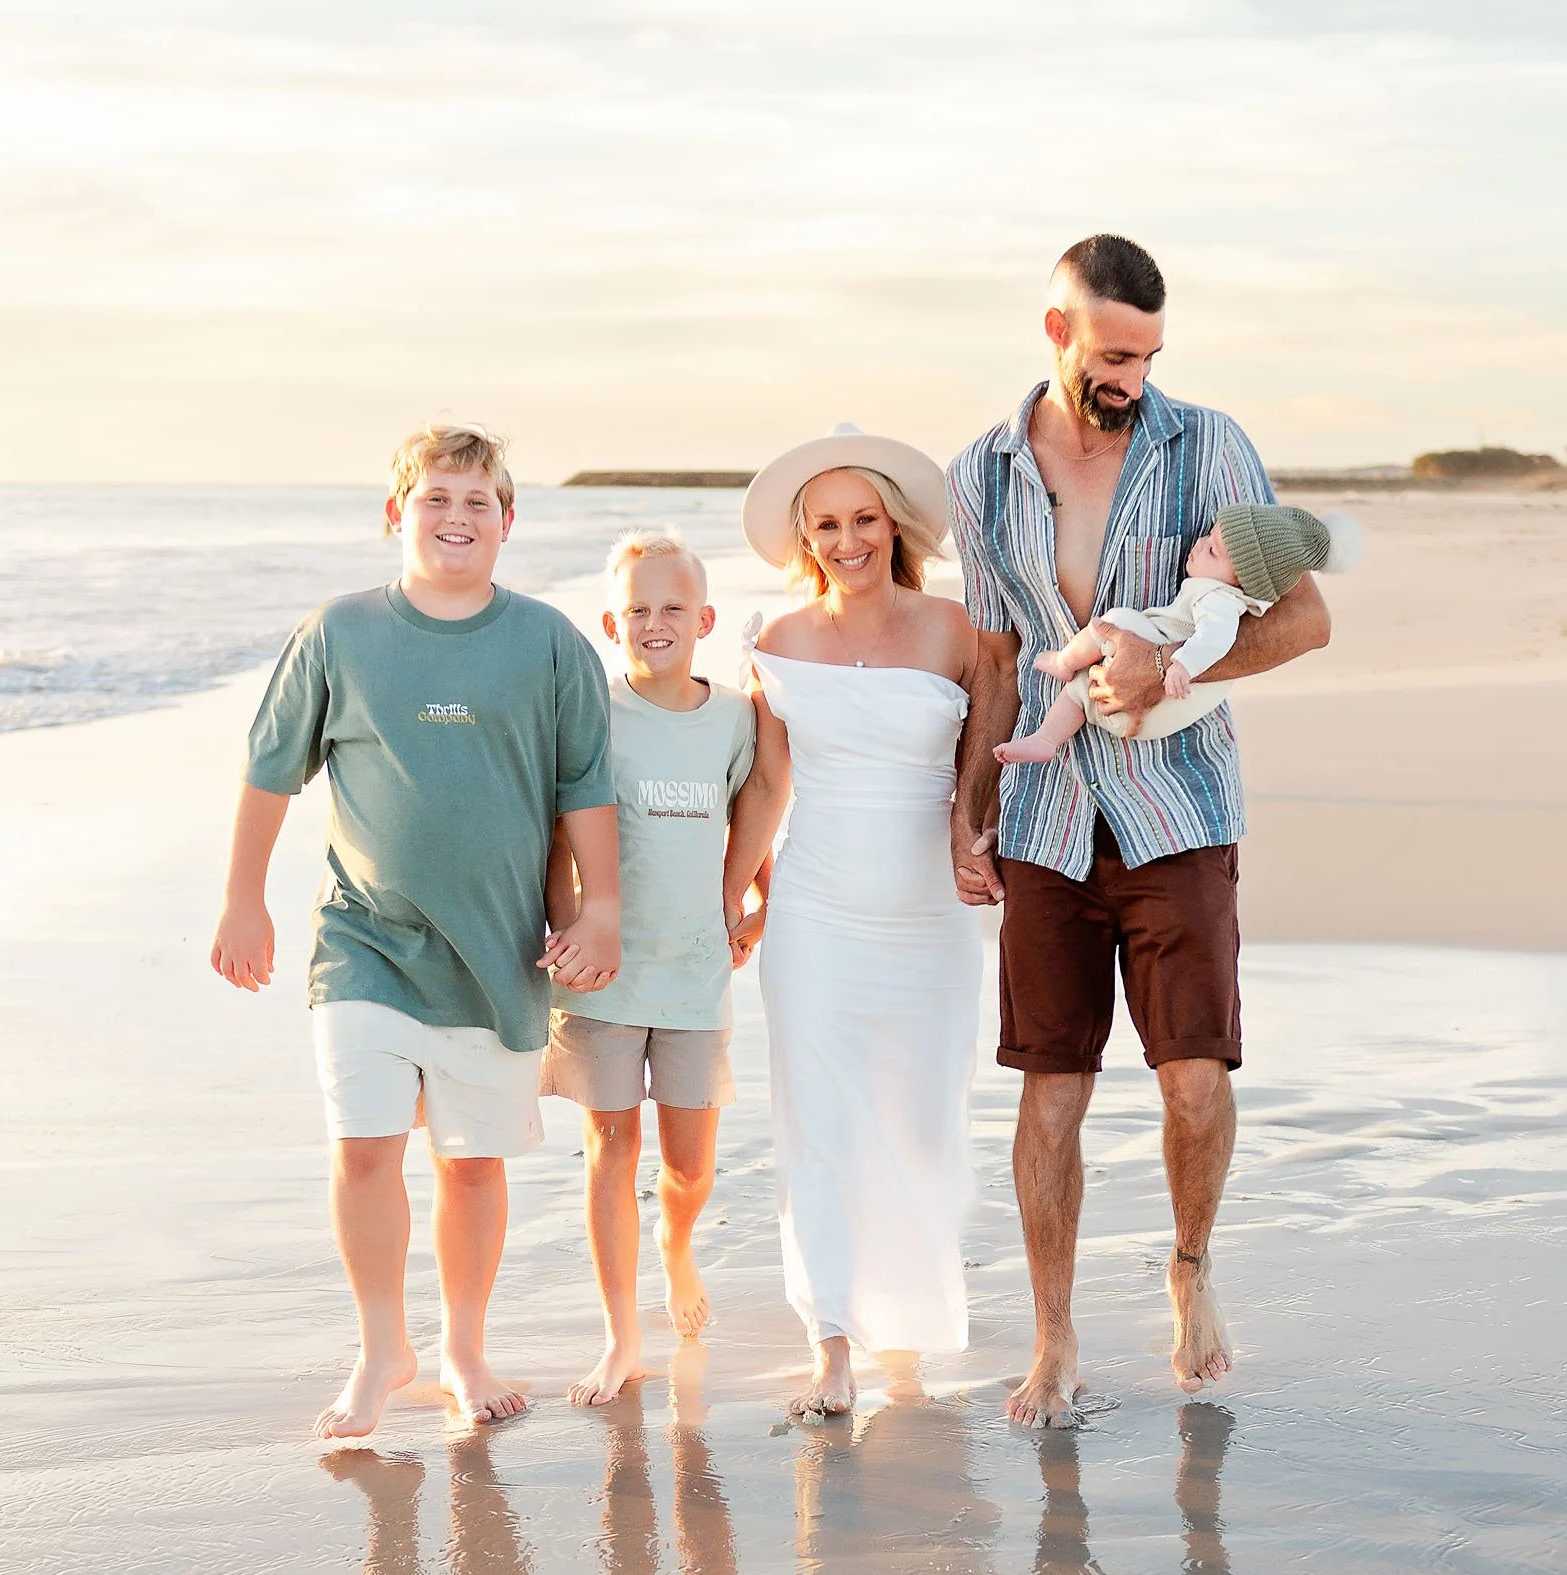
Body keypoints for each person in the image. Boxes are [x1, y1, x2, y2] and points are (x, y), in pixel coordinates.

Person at [945, 235, 1333, 1427]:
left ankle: (1191, 1270)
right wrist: (968, 807)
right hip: (1048, 822)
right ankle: (1053, 1337)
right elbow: (997, 656)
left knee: (1191, 1082)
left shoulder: (1207, 443)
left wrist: (1171, 664)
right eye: (1114, 353)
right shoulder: (980, 473)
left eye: (1150, 354)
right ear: (1056, 330)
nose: (1133, 375)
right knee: (1048, 1088)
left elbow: (1305, 619)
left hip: (1179, 806)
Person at [210, 421, 622, 1441]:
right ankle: (381, 1344)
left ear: (508, 522)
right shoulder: (340, 632)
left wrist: (601, 907)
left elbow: (586, 791)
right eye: (435, 498)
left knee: (471, 1164)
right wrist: (242, 898)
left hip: (498, 951)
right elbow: (270, 770)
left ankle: (463, 1346)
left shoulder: (549, 643)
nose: (455, 518)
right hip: (365, 942)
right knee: (363, 1147)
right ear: (397, 513)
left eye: (477, 501)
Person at [727, 424, 989, 1419]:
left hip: (929, 918)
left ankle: (909, 1325)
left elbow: (988, 767)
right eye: (827, 525)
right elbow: (765, 784)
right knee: (821, 1122)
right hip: (815, 911)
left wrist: (983, 840)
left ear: (894, 525)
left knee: (920, 1124)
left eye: (863, 520)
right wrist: (729, 897)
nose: (847, 541)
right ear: (805, 538)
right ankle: (831, 1339)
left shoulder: (959, 631)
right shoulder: (778, 643)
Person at [541, 531, 759, 1407]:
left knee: (689, 1165)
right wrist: (568, 932)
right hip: (602, 979)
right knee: (610, 1146)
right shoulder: (588, 713)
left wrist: (757, 910)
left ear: (704, 619)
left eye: (673, 608)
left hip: (696, 974)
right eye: (637, 609)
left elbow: (757, 826)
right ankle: (622, 1333)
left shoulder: (737, 718)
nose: (655, 622)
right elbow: (554, 843)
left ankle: (677, 1242)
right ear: (610, 621)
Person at [995, 505, 1360, 764]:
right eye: (1207, 536)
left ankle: (1063, 661)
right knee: (1080, 694)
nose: (1199, 544)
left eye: (1213, 550)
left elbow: (1216, 640)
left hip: (1158, 706)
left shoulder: (1216, 600)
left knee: (1113, 622)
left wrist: (1176, 664)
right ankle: (1045, 739)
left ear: (1242, 581)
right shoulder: (1219, 591)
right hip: (1139, 714)